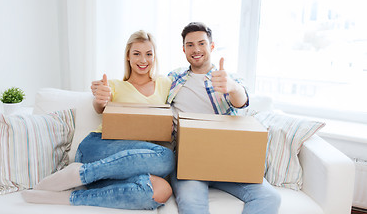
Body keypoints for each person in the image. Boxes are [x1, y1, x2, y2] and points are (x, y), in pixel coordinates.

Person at [22, 30, 175, 210]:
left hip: (124, 166)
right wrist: (100, 99)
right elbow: (99, 106)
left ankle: (71, 195)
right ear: (128, 55)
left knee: (161, 190)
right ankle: (81, 173)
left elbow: (187, 77)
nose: (143, 60)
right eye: (137, 53)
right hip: (98, 148)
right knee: (166, 157)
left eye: (149, 54)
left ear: (154, 56)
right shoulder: (113, 85)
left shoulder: (165, 83)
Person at [167, 22, 281, 214]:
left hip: (228, 160)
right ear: (184, 49)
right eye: (190, 45)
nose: (196, 49)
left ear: (211, 46)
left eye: (201, 43)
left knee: (270, 197)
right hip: (189, 162)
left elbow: (241, 101)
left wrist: (232, 86)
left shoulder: (228, 79)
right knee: (193, 205)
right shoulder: (173, 79)